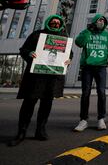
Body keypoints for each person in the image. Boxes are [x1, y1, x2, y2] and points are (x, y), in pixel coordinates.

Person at [8, 15, 71, 146]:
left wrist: (69, 59)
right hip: (36, 77)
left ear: (61, 25)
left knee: (46, 104)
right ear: (48, 22)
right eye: (53, 22)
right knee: (29, 103)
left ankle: (40, 130)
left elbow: (70, 53)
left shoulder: (63, 37)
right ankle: (21, 132)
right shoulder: (37, 35)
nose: (55, 23)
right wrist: (29, 53)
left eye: (58, 22)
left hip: (52, 77)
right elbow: (23, 49)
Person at [73, 14, 108, 132]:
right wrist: (88, 31)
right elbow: (79, 43)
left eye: (103, 20)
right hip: (88, 67)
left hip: (101, 67)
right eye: (99, 20)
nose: (101, 22)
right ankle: (83, 120)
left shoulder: (107, 35)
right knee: (85, 93)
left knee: (101, 92)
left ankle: (101, 119)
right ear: (94, 21)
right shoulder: (87, 32)